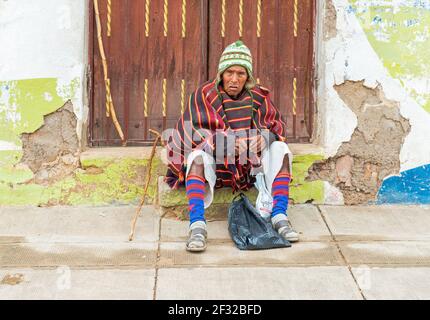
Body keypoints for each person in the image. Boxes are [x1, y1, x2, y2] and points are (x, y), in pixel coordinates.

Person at [164, 40, 299, 252]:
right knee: (195, 158)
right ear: (221, 74)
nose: (234, 79)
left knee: (280, 150)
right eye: (229, 73)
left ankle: (279, 215)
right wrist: (220, 144)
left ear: (248, 78)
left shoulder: (258, 97)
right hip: (219, 166)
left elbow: (276, 126)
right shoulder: (204, 95)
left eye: (240, 74)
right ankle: (197, 225)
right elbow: (189, 135)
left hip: (249, 168)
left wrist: (266, 137)